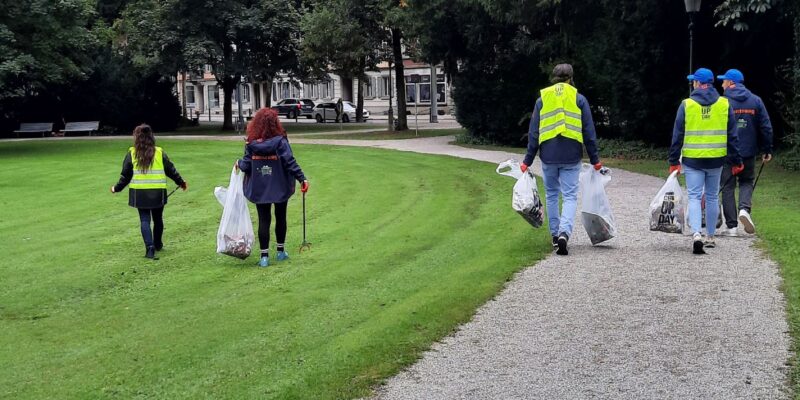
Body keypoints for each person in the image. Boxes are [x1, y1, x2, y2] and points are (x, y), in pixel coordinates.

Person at [521, 63, 605, 256]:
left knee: (551, 194)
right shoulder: (579, 99)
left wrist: (527, 160)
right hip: (571, 155)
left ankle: (554, 235)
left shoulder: (542, 99)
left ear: (554, 77)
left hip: (548, 156)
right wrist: (595, 159)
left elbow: (534, 133)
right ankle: (564, 234)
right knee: (569, 196)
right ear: (570, 78)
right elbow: (589, 132)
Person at [668, 68, 743, 255]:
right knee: (711, 197)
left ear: (697, 84)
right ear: (711, 83)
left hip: (693, 159)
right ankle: (710, 236)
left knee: (693, 196)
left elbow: (677, 136)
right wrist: (736, 160)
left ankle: (696, 234)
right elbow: (732, 137)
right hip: (716, 159)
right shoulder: (724, 104)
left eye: (693, 81)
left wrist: (673, 161)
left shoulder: (686, 105)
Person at [236, 108, 308, 267]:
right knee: (280, 217)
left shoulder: (251, 143)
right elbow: (290, 162)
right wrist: (302, 179)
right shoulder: (281, 142)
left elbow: (246, 165)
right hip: (280, 186)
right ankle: (281, 252)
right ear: (275, 123)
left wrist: (238, 163)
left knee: (264, 219)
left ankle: (264, 257)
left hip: (259, 188)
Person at [111, 124, 187, 259]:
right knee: (158, 219)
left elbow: (125, 176)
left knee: (144, 220)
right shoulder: (159, 152)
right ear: (151, 137)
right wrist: (180, 182)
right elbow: (171, 170)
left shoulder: (132, 153)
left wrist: (116, 188)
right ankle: (158, 244)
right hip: (157, 192)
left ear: (137, 137)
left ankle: (149, 248)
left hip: (139, 193)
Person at [716, 69, 774, 236]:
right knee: (747, 181)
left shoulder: (722, 102)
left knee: (727, 186)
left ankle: (732, 226)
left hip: (726, 151)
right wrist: (767, 149)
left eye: (724, 81)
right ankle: (744, 209)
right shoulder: (756, 101)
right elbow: (766, 127)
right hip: (748, 151)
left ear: (731, 83)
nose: (721, 84)